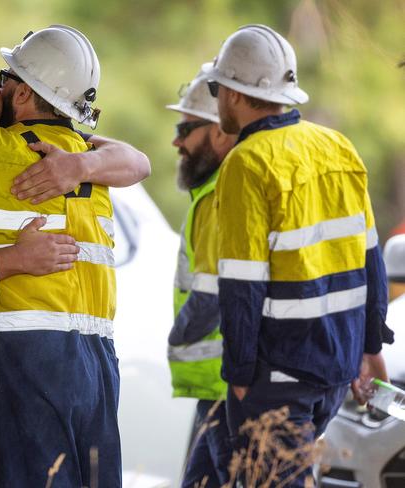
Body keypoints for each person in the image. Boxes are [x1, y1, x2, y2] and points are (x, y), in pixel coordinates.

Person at [0, 26, 145, 487]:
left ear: (21, 92)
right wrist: (84, 164)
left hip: (17, 354)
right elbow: (140, 161)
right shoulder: (87, 161)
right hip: (96, 358)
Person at [203, 24, 394, 485]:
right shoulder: (338, 146)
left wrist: (241, 374)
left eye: (216, 87)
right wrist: (370, 346)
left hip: (278, 373)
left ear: (235, 93)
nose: (215, 98)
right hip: (335, 369)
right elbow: (372, 261)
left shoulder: (246, 163)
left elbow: (242, 283)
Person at [165, 69, 237, 488]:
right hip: (217, 390)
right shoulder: (209, 193)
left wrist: (179, 335)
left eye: (186, 128)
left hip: (228, 390)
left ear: (222, 133)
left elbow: (212, 294)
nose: (177, 141)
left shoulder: (224, 195)